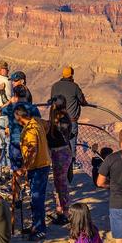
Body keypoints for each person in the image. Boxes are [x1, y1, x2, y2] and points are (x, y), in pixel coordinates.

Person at [16, 105, 52, 239]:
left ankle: (40, 229)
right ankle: (35, 226)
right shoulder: (36, 121)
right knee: (35, 198)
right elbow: (48, 124)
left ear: (20, 118)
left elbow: (32, 150)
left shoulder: (29, 131)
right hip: (43, 164)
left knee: (36, 198)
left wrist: (24, 167)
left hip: (37, 168)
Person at [49, 66, 89, 180]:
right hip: (71, 121)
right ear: (72, 75)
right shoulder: (74, 87)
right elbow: (82, 101)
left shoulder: (55, 86)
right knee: (71, 141)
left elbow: (52, 101)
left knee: (58, 142)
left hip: (56, 120)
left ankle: (56, 162)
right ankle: (71, 163)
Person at [45, 96, 75, 224]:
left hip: (60, 153)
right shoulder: (62, 118)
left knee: (61, 184)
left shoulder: (62, 120)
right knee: (58, 183)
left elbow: (59, 135)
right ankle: (60, 211)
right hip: (60, 153)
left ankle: (66, 213)